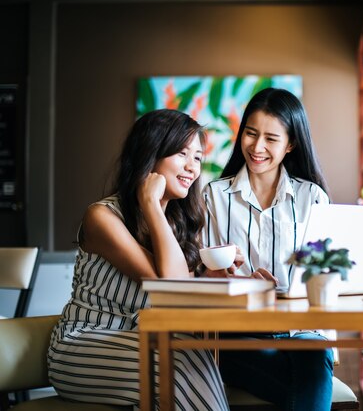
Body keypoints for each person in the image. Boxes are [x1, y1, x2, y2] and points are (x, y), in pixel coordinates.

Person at [47, 109, 230, 411]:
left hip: (146, 343)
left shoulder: (177, 224)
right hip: (84, 346)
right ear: (151, 154)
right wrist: (150, 204)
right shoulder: (102, 217)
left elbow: (183, 291)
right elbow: (171, 288)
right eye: (181, 153)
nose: (191, 167)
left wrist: (220, 276)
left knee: (190, 354)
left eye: (197, 157)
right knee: (181, 359)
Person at [202, 87, 334, 411]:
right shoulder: (213, 196)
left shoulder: (313, 198)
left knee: (313, 358)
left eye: (271, 139)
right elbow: (196, 273)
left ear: (290, 144)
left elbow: (325, 279)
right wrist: (221, 277)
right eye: (250, 133)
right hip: (237, 333)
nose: (257, 147)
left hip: (301, 332)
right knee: (311, 376)